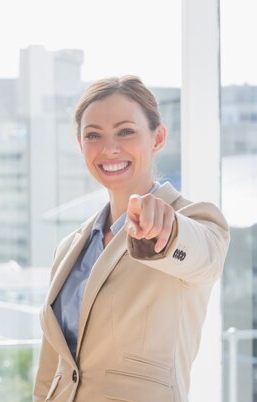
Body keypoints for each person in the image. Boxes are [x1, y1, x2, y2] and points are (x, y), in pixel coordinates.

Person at [33, 76, 230, 402]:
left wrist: (166, 232)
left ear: (158, 138)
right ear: (81, 146)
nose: (109, 147)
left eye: (125, 131)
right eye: (93, 135)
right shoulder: (70, 247)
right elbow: (53, 365)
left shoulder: (194, 220)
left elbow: (202, 258)